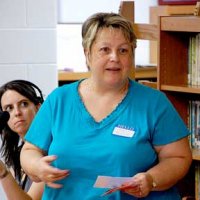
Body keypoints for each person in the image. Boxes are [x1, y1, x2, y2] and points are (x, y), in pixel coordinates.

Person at [20, 12, 192, 200]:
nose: (115, 58)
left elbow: (178, 158)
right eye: (105, 49)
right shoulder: (59, 100)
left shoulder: (154, 103)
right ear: (87, 53)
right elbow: (30, 150)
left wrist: (151, 179)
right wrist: (36, 166)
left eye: (123, 50)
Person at [0, 80, 44, 200]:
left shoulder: (49, 151)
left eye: (24, 104)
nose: (17, 113)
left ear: (38, 107)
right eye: (9, 108)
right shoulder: (16, 156)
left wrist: (3, 172)